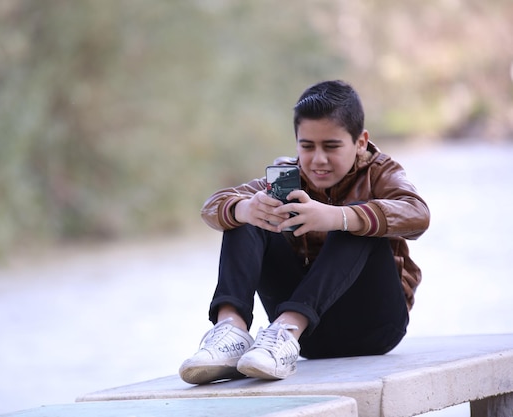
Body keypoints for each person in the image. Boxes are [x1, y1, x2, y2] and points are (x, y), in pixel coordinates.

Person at [179, 80, 430, 384]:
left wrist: (338, 216)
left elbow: (418, 214)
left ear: (361, 142)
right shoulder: (287, 177)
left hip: (375, 329)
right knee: (249, 212)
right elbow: (213, 206)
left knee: (355, 220)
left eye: (332, 146)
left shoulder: (381, 171)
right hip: (307, 340)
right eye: (307, 146)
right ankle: (232, 333)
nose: (318, 160)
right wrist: (244, 209)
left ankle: (287, 328)